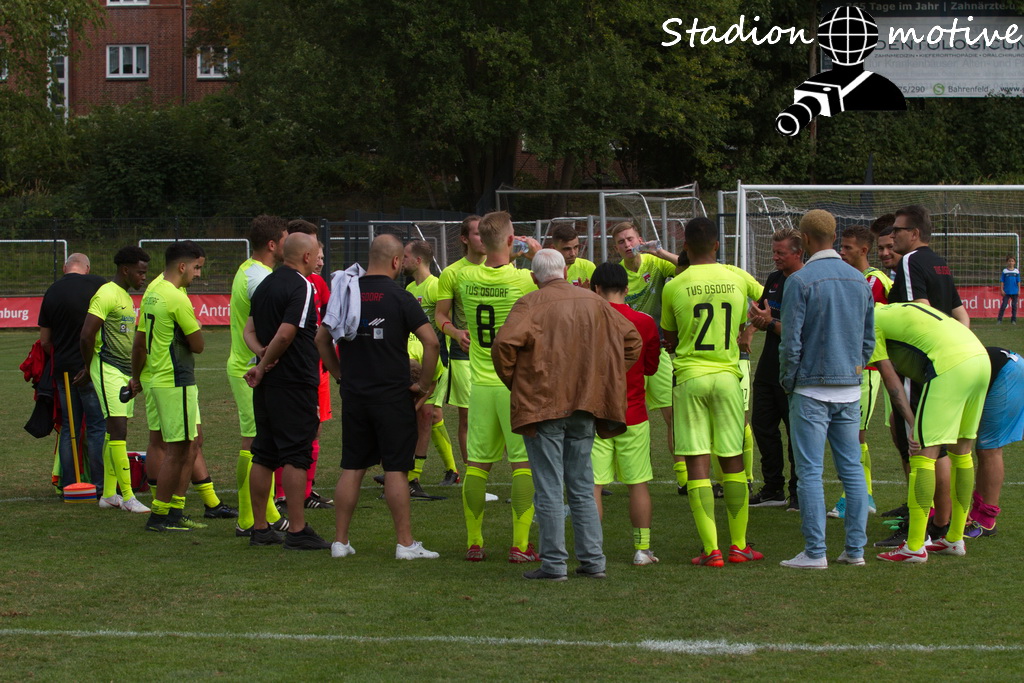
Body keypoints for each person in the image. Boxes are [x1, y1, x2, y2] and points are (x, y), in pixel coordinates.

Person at [493, 250, 641, 580]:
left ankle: (554, 564)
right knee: (582, 484)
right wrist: (603, 376)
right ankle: (593, 560)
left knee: (549, 486)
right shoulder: (595, 302)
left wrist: (519, 382)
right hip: (586, 402)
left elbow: (503, 345)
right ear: (565, 271)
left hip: (543, 403)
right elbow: (631, 340)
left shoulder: (530, 303)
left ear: (534, 277)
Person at [317, 233, 440, 560]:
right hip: (392, 396)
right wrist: (423, 385)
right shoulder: (401, 297)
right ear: (397, 261)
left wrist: (340, 375)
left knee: (352, 466)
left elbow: (320, 339)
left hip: (355, 394)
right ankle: (405, 544)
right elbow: (432, 343)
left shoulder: (346, 291)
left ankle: (340, 542)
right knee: (397, 468)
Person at [661, 217, 763, 568]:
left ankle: (711, 550)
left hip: (690, 377)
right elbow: (767, 303)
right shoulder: (736, 277)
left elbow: (669, 337)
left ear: (685, 246)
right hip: (727, 376)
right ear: (717, 245)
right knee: (732, 460)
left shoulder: (675, 285)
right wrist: (747, 329)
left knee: (696, 462)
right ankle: (739, 545)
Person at [777, 210, 875, 570]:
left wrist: (789, 380)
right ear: (834, 237)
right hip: (848, 387)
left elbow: (791, 342)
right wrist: (853, 367)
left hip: (811, 389)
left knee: (810, 472)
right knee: (851, 470)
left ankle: (816, 552)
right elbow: (868, 339)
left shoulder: (800, 281)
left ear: (804, 239)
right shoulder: (859, 280)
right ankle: (855, 550)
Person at [443, 211, 541, 563]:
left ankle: (474, 543)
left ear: (481, 241)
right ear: (512, 239)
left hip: (481, 385)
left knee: (477, 467)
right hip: (515, 385)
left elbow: (444, 313)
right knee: (523, 466)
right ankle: (520, 545)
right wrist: (535, 252)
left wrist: (453, 331)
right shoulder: (525, 279)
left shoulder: (465, 277)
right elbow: (556, 286)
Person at [871, 302, 989, 562]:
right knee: (962, 452)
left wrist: (912, 421)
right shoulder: (892, 308)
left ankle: (914, 546)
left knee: (923, 455)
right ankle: (954, 538)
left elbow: (890, 377)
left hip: (949, 365)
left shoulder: (869, 320)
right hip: (980, 357)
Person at [883, 204, 970, 547]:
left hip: (922, 363)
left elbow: (921, 312)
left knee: (920, 446)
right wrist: (954, 346)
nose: (893, 235)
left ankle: (922, 530)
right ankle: (944, 527)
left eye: (898, 230)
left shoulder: (909, 261)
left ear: (914, 233)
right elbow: (962, 316)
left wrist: (931, 349)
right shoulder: (940, 263)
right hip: (950, 362)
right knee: (942, 446)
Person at [243, 232, 329, 550]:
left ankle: (260, 528)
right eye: (317, 254)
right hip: (293, 382)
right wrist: (265, 362)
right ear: (306, 256)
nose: (318, 259)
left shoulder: (266, 284)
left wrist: (261, 358)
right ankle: (297, 529)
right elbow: (286, 333)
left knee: (264, 453)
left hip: (268, 383)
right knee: (296, 453)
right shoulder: (302, 285)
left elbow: (249, 330)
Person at [588, 262, 661, 566]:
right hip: (633, 414)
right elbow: (651, 367)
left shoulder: (587, 320)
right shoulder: (644, 322)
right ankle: (642, 550)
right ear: (627, 289)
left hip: (595, 414)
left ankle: (592, 549)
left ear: (596, 289)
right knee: (638, 484)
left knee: (592, 486)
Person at [133, 241, 206, 532]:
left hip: (160, 378)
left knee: (187, 445)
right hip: (176, 380)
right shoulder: (176, 297)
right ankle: (160, 515)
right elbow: (198, 344)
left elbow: (140, 341)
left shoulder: (153, 291)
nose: (198, 274)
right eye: (196, 268)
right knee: (178, 450)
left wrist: (135, 376)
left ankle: (173, 512)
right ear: (182, 266)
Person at [227, 215, 290, 536]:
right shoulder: (259, 278)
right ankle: (252, 517)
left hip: (250, 365)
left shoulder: (249, 270)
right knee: (255, 443)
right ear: (272, 244)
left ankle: (257, 515)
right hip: (249, 369)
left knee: (258, 441)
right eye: (285, 240)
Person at [78, 246, 152, 513]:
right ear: (125, 270)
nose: (143, 277)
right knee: (118, 429)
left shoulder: (126, 297)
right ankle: (128, 497)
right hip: (107, 367)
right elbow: (86, 335)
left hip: (124, 371)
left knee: (114, 433)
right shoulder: (106, 293)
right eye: (140, 272)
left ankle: (109, 495)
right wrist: (89, 368)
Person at [827, 224, 893, 518]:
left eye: (847, 248)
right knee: (849, 434)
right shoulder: (853, 277)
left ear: (863, 250)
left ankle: (858, 498)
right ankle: (860, 496)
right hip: (850, 367)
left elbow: (866, 324)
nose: (841, 252)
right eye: (840, 247)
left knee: (855, 435)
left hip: (867, 367)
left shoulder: (873, 281)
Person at [270, 220, 334, 510]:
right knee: (288, 431)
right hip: (295, 368)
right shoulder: (290, 283)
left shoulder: (318, 284)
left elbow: (329, 324)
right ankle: (284, 493)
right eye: (315, 252)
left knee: (313, 429)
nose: (319, 258)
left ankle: (305, 491)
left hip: (316, 367)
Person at [610, 222, 680, 486]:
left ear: (640, 240)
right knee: (618, 414)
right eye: (621, 242)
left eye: (630, 239)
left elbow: (687, 267)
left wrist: (660, 251)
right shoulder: (617, 274)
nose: (627, 245)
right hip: (624, 356)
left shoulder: (656, 263)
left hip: (656, 351)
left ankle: (683, 477)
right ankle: (608, 477)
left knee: (673, 416)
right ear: (615, 248)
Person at [743, 227, 804, 511]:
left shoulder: (806, 282)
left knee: (796, 433)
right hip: (768, 367)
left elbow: (801, 331)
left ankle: (798, 492)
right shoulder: (774, 279)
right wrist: (752, 326)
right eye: (774, 252)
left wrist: (770, 323)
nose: (775, 257)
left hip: (795, 369)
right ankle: (773, 488)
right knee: (763, 426)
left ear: (798, 253)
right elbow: (763, 313)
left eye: (781, 253)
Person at [38, 253, 107, 495]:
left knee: (70, 428)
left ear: (65, 268)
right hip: (91, 368)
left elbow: (45, 341)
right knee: (97, 426)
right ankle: (100, 486)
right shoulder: (98, 285)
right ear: (87, 268)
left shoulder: (52, 291)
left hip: (64, 370)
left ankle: (69, 485)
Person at [402, 239, 459, 488]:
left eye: (405, 256)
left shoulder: (436, 286)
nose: (401, 260)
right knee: (433, 415)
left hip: (436, 360)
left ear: (418, 260)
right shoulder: (409, 289)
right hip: (415, 360)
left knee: (426, 414)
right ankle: (451, 470)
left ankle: (412, 475)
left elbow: (447, 321)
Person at [434, 215, 485, 468]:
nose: (484, 238)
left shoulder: (504, 267)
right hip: (464, 355)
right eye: (478, 233)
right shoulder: (452, 273)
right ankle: (473, 477)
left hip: (498, 354)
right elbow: (440, 315)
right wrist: (456, 333)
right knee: (469, 418)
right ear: (464, 239)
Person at [965, 347, 1024, 537]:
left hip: (1006, 372)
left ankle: (986, 520)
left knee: (989, 448)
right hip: (1002, 366)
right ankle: (974, 514)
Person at [549, 223, 596, 288]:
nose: (573, 253)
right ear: (553, 248)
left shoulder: (588, 267)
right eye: (567, 249)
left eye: (576, 247)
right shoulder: (543, 271)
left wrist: (586, 292)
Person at [998, 256, 1019, 324]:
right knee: (1004, 305)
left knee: (1014, 306)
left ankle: (1013, 320)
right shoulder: (1005, 271)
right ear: (1007, 262)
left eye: (1012, 261)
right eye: (1009, 261)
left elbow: (1018, 281)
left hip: (1015, 291)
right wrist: (1002, 289)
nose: (1011, 262)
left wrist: (1019, 290)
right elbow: (1002, 281)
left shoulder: (1016, 271)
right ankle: (999, 320)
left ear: (1014, 262)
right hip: (1006, 292)